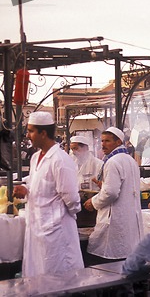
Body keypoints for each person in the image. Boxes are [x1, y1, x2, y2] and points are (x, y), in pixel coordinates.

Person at [13, 112, 83, 277]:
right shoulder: (36, 157)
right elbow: (38, 182)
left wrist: (59, 216)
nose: (28, 136)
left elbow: (72, 199)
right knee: (37, 276)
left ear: (43, 133)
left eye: (31, 131)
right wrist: (26, 189)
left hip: (56, 230)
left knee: (59, 278)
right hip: (38, 227)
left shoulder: (60, 160)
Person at [83, 126, 143, 264]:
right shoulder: (129, 160)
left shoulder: (113, 162)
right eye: (102, 141)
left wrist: (93, 202)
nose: (103, 144)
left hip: (115, 217)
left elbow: (111, 193)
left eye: (107, 141)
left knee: (110, 256)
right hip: (128, 216)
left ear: (118, 142)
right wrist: (102, 186)